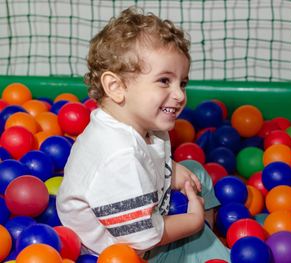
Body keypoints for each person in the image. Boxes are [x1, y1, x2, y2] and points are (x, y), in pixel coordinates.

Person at [57, 7, 229, 262]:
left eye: (182, 83)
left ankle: (205, 237)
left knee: (194, 172)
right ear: (116, 87)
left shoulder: (137, 122)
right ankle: (203, 245)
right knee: (203, 241)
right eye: (164, 81)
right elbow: (141, 237)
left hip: (141, 213)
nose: (180, 95)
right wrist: (192, 222)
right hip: (128, 251)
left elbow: (146, 159)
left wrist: (170, 169)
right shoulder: (119, 156)